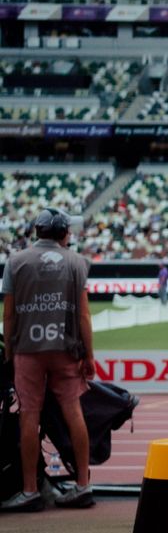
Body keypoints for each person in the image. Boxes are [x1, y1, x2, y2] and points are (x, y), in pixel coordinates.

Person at [1, 210, 94, 512]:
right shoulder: (77, 262)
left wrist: (9, 353)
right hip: (65, 348)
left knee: (29, 415)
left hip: (28, 349)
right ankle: (83, 486)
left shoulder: (15, 261)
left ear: (37, 231)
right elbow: (83, 314)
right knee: (73, 412)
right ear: (64, 233)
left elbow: (9, 313)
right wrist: (89, 355)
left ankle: (30, 491)